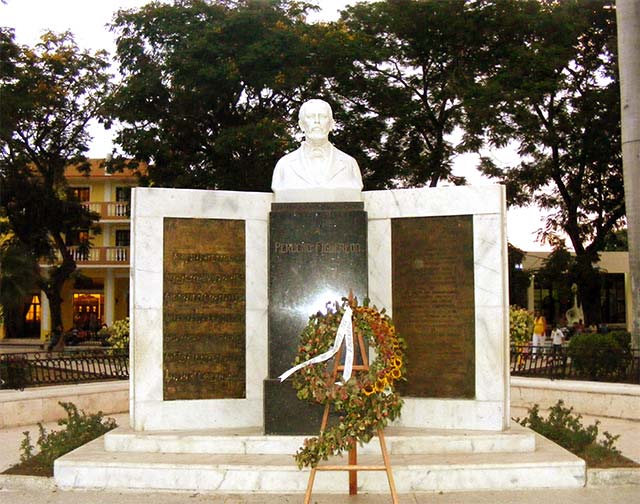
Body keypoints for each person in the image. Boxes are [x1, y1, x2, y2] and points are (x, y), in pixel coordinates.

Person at [271, 99, 363, 200]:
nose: (317, 121)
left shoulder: (349, 164)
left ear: (331, 124)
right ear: (301, 125)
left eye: (323, 116)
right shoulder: (284, 165)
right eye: (310, 117)